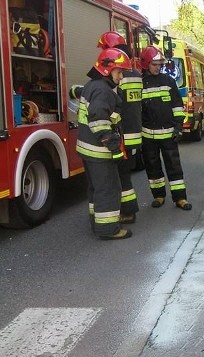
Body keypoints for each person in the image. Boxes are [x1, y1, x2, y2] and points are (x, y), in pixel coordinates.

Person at [75, 48, 133, 239]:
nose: (121, 77)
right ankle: (109, 229)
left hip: (87, 150)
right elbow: (99, 121)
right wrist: (114, 147)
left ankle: (97, 223)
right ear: (108, 69)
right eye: (120, 72)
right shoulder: (103, 91)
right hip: (99, 151)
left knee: (95, 189)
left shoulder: (92, 85)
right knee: (108, 188)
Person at [97, 31, 142, 224]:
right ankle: (129, 210)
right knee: (125, 177)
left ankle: (126, 212)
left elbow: (112, 106)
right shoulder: (137, 75)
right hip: (135, 135)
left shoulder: (117, 75)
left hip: (121, 135)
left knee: (119, 178)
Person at [140, 46, 192, 211]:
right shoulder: (140, 83)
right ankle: (159, 196)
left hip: (169, 133)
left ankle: (180, 198)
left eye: (159, 64)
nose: (158, 67)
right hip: (148, 136)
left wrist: (178, 127)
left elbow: (177, 106)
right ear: (146, 64)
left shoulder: (168, 81)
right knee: (153, 168)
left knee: (174, 167)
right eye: (154, 64)